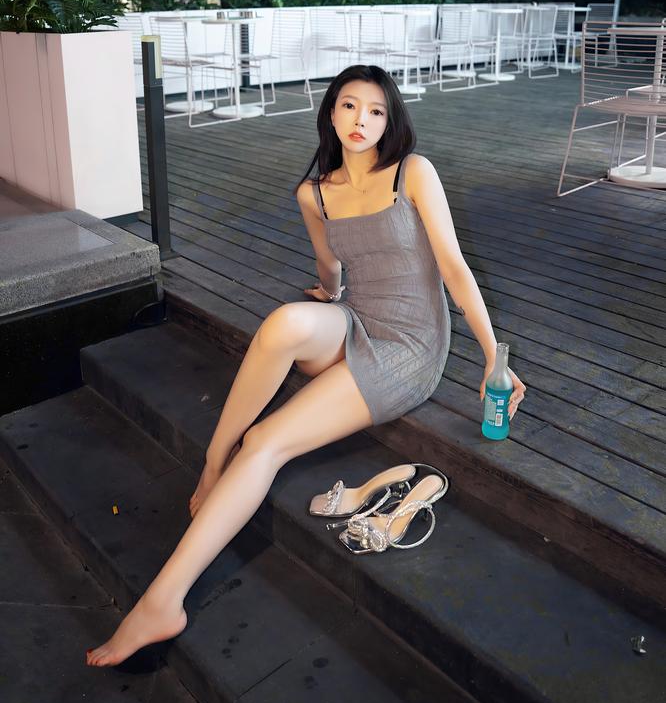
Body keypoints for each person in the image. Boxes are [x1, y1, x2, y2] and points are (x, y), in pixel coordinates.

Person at [86, 64, 526, 667]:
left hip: (411, 347)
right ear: (330, 112)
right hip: (358, 318)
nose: (361, 120)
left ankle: (163, 602)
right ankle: (214, 460)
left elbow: (452, 266)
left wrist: (493, 354)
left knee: (265, 441)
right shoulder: (314, 194)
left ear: (390, 120)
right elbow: (331, 267)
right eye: (349, 106)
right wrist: (327, 299)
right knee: (285, 322)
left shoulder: (412, 173)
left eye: (376, 111)